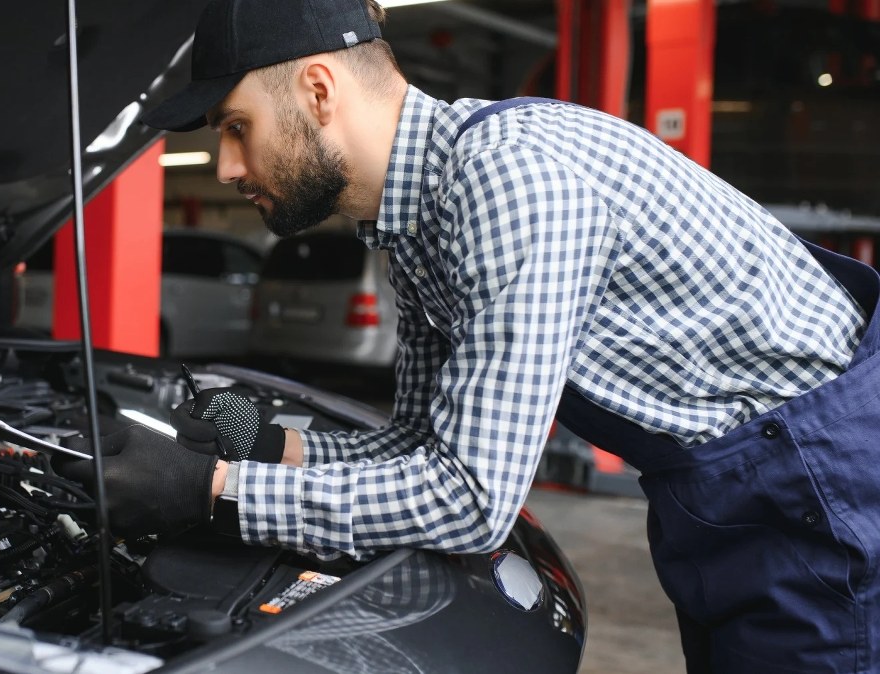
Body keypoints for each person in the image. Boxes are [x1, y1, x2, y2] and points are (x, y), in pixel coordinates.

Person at [60, 0, 880, 671]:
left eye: (234, 127)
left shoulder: (506, 177)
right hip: (720, 490)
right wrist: (270, 447)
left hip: (813, 486)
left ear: (317, 91)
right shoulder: (412, 218)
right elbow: (421, 444)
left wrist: (212, 492)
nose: (228, 168)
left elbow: (469, 500)